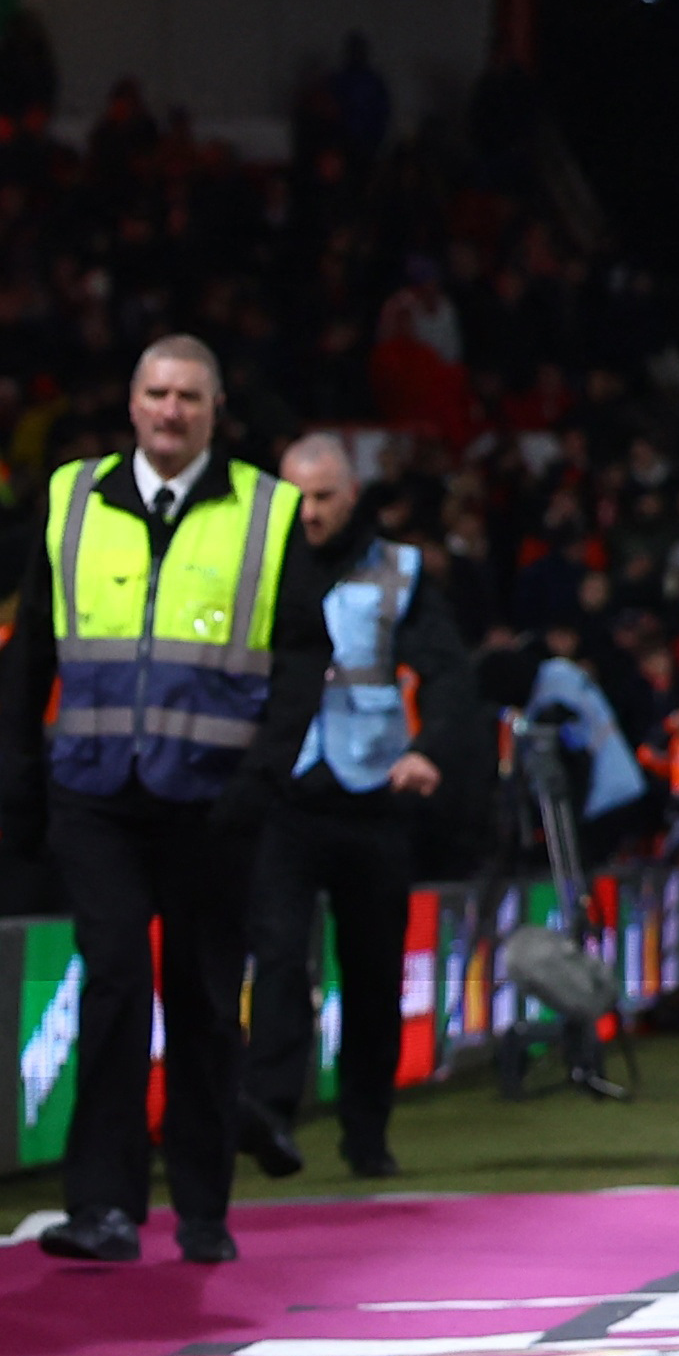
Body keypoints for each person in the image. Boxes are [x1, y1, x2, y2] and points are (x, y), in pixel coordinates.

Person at [0, 338, 326, 1267]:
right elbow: (27, 651)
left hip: (215, 803)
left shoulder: (268, 511)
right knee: (111, 983)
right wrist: (18, 783)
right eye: (154, 393)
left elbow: (302, 663)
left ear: (215, 408)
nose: (169, 411)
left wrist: (260, 781)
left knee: (206, 1003)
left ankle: (203, 1206)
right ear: (130, 402)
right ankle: (101, 1208)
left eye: (186, 396)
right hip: (93, 792)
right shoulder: (71, 496)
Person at [244, 433, 472, 1179]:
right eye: (295, 496)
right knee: (277, 962)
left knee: (372, 974)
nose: (307, 513)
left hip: (375, 797)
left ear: (351, 495)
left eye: (322, 497)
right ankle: (270, 1118)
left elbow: (446, 672)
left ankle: (365, 1133)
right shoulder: (257, 567)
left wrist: (428, 750)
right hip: (283, 795)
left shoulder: (399, 571)